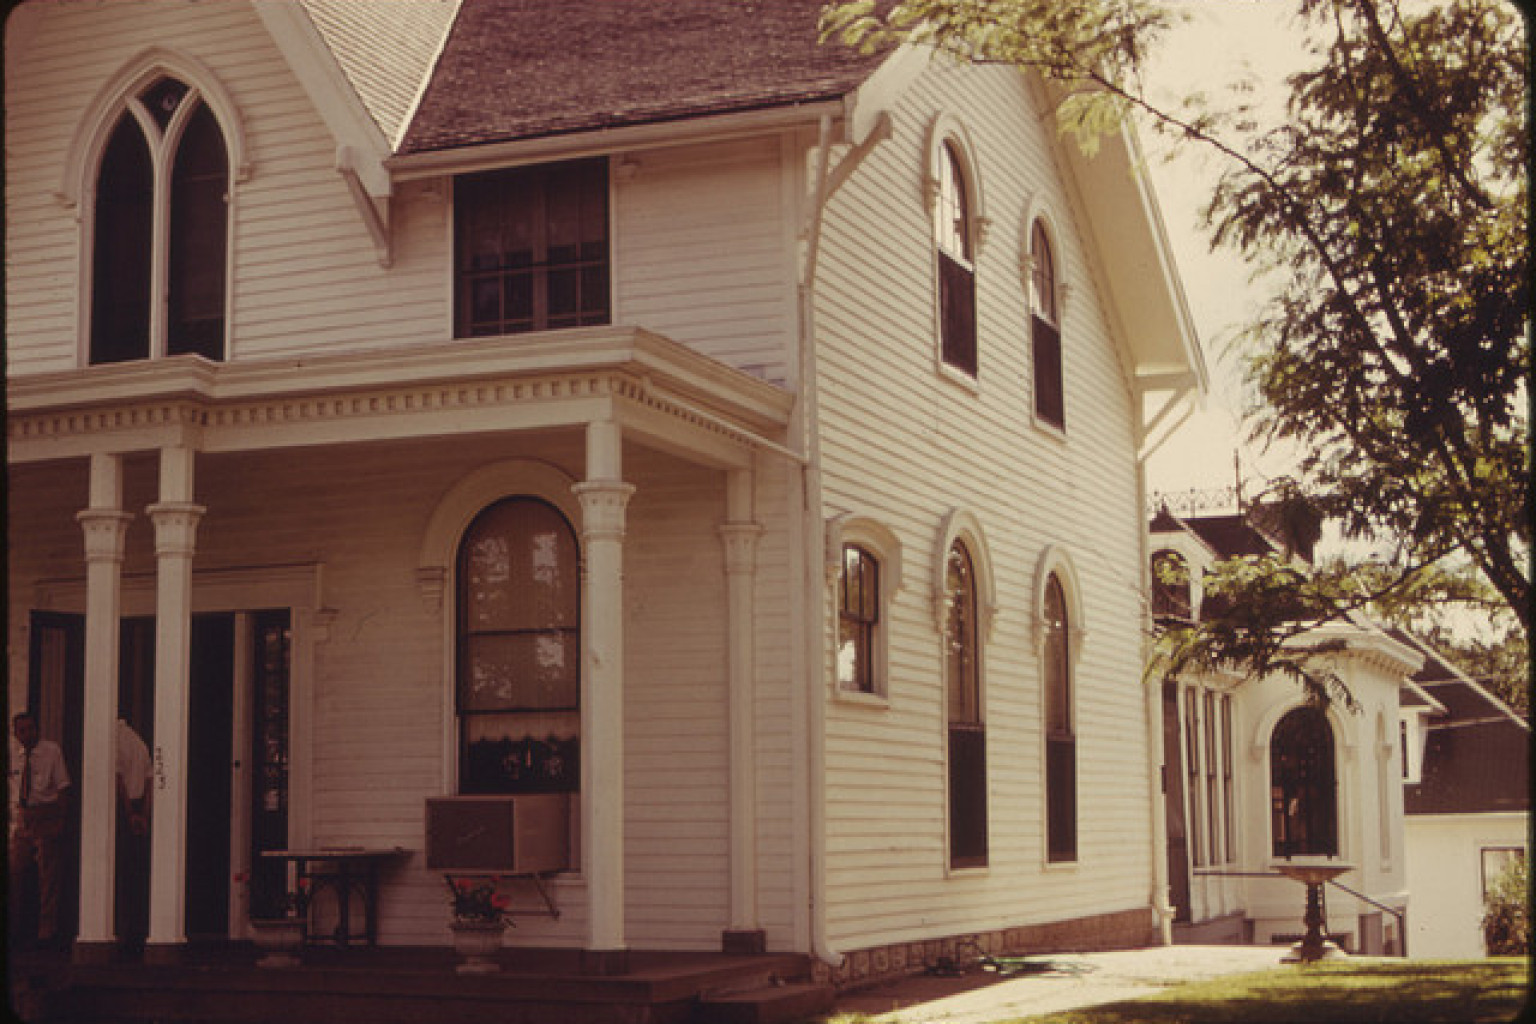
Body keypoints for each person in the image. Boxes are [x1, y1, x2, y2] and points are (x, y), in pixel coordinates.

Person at [10, 711, 73, 949]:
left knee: (48, 876)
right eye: (22, 730)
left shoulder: (51, 751)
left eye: (31, 728)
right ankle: (16, 929)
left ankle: (47, 931)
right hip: (25, 816)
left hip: (47, 812)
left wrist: (60, 821)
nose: (27, 734)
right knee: (16, 869)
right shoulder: (15, 756)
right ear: (16, 733)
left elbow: (63, 786)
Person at [115, 717, 153, 952]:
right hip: (140, 809)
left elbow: (118, 780)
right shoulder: (139, 742)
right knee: (136, 872)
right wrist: (144, 815)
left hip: (124, 810)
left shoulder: (116, 740)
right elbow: (150, 781)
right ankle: (135, 932)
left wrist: (129, 814)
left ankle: (126, 934)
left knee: (123, 873)